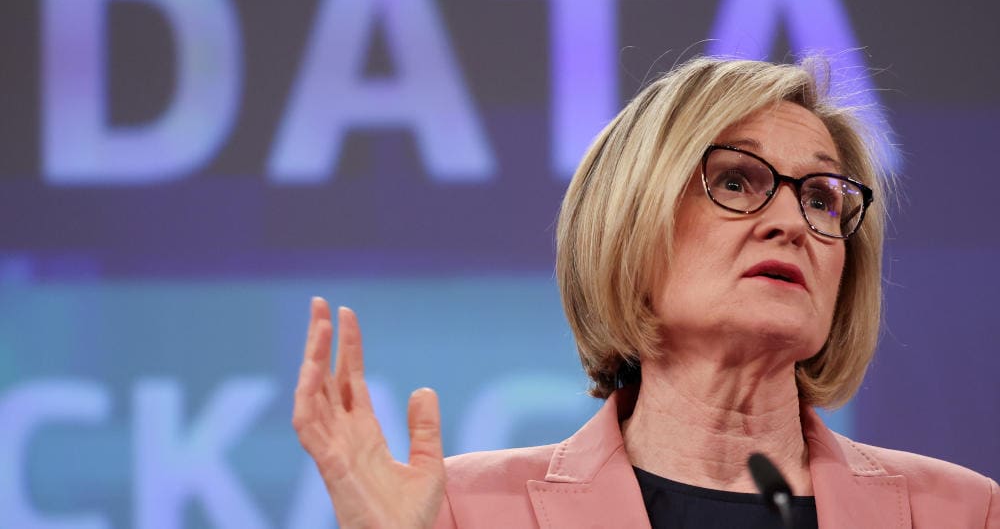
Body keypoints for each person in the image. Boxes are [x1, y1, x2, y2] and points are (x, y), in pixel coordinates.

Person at [292, 57, 1000, 528]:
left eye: (820, 197)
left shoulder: (961, 513)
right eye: (735, 181)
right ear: (631, 228)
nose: (791, 222)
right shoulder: (461, 511)